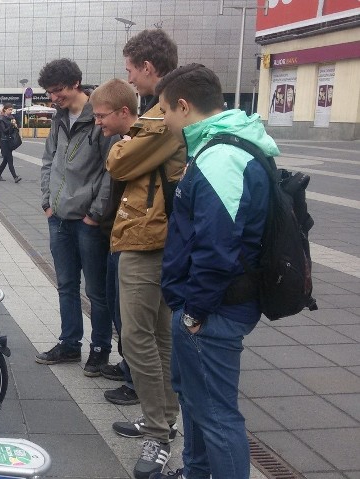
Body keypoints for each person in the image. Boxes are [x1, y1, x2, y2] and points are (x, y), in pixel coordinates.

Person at [152, 63, 273, 479]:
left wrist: (193, 313)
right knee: (196, 400)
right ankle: (196, 471)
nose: (164, 121)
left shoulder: (221, 157)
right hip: (207, 306)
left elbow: (217, 249)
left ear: (183, 107)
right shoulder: (219, 148)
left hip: (212, 311)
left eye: (165, 110)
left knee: (218, 415)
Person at [103, 29, 187, 479]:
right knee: (158, 337)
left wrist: (120, 144)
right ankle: (161, 421)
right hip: (156, 235)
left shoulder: (163, 117)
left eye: (132, 69)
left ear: (149, 68)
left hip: (147, 238)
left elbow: (118, 162)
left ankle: (159, 434)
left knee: (139, 337)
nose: (130, 78)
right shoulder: (167, 111)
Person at [36, 58, 115, 374]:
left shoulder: (98, 118)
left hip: (88, 221)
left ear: (76, 84)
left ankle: (100, 349)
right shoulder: (58, 119)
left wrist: (96, 213)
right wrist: (47, 202)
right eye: (50, 93)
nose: (54, 98)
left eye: (58, 91)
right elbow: (47, 161)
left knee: (96, 290)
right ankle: (70, 345)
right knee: (66, 285)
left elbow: (112, 169)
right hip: (58, 217)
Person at [88, 78, 142, 408]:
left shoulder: (139, 145)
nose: (97, 122)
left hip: (134, 241)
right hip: (116, 236)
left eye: (101, 115)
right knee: (115, 303)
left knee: (130, 316)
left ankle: (137, 382)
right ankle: (127, 366)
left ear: (123, 111)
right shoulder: (126, 140)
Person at [0, 104, 22, 183]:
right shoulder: (1, 119)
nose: (11, 111)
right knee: (9, 159)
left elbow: (15, 129)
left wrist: (15, 125)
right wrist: (11, 125)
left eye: (11, 110)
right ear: (5, 110)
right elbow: (4, 131)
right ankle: (15, 177)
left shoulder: (12, 118)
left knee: (5, 160)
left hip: (10, 140)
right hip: (4, 141)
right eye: (9, 109)